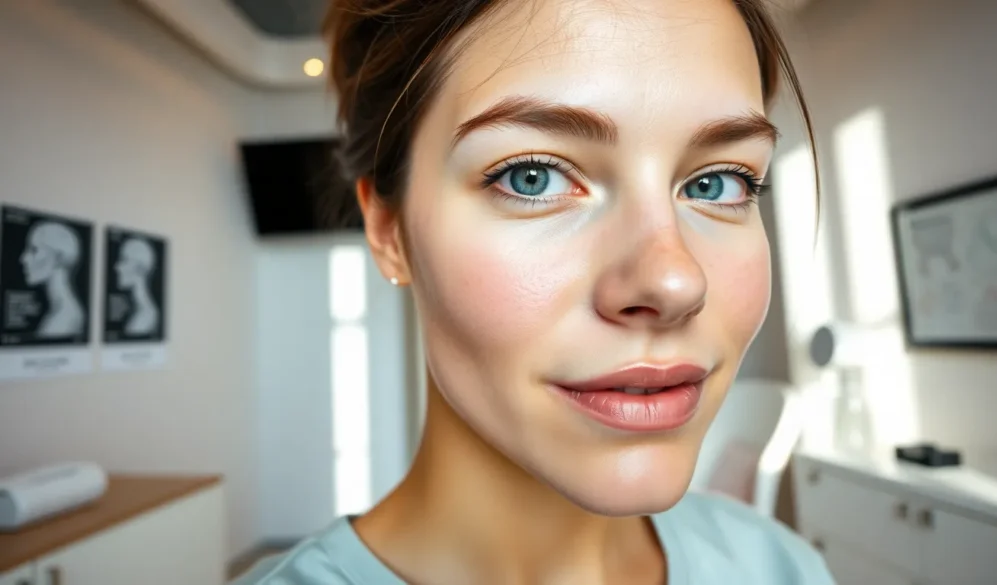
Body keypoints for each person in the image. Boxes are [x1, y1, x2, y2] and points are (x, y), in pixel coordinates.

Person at [236, 0, 830, 582]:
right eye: (533, 177)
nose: (675, 281)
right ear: (388, 231)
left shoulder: (782, 568)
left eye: (718, 183)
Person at [20, 221, 85, 339]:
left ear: (59, 257)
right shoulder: (58, 311)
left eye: (34, 250)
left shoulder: (65, 318)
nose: (23, 259)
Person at [114, 237, 160, 336]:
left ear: (139, 268)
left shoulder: (145, 316)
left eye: (124, 260)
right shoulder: (138, 311)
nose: (117, 267)